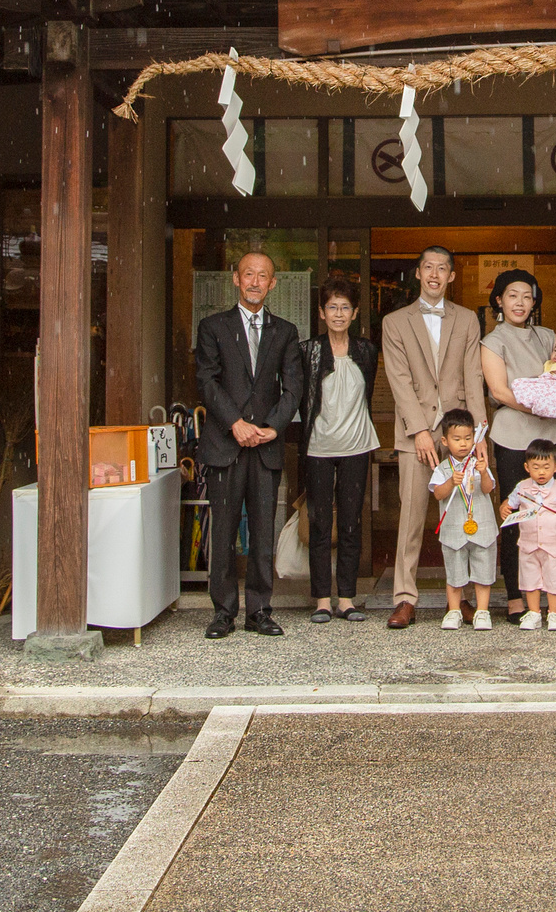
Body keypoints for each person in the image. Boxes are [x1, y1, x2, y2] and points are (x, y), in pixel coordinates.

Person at [192, 251, 305, 640]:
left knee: (262, 531)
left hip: (267, 446)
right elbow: (207, 381)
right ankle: (223, 611)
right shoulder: (213, 327)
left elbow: (293, 387)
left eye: (263, 276)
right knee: (222, 531)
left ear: (273, 283)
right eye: (248, 275)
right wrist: (235, 423)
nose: (255, 282)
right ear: (236, 279)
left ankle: (259, 609)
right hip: (226, 443)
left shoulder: (285, 331)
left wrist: (274, 427)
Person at [380, 245, 486, 629]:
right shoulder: (395, 322)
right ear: (418, 273)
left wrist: (480, 435)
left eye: (443, 268)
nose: (435, 274)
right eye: (428, 267)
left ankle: (462, 598)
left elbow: (473, 376)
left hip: (460, 434)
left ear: (452, 276)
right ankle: (405, 598)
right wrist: (420, 431)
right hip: (415, 434)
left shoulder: (468, 319)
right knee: (411, 518)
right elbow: (399, 381)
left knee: (463, 516)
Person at [480, 268, 556, 608]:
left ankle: (553, 599)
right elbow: (498, 390)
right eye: (512, 295)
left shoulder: (548, 335)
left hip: (555, 434)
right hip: (515, 435)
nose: (520, 302)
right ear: (499, 300)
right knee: (515, 515)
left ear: (534, 301)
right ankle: (515, 597)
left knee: (554, 514)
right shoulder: (493, 341)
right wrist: (539, 406)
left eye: (527, 295)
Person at [292, 274, 379, 624]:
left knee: (350, 522)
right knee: (318, 522)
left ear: (355, 312)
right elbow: (300, 398)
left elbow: (367, 393)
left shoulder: (367, 350)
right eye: (332, 307)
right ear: (322, 313)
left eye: (345, 307)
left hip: (357, 445)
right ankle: (321, 599)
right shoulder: (308, 351)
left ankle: (346, 597)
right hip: (318, 447)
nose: (339, 313)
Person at [500, 438, 556, 631]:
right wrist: (504, 509)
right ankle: (534, 613)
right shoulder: (522, 487)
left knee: (554, 579)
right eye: (536, 467)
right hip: (529, 544)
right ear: (527, 467)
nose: (541, 472)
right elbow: (509, 504)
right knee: (530, 580)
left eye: (546, 467)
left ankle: (555, 613)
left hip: (554, 545)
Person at [428, 410, 496, 630]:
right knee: (455, 572)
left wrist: (484, 473)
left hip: (482, 528)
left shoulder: (478, 463)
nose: (463, 444)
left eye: (468, 438)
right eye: (457, 440)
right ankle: (454, 611)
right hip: (454, 530)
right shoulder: (442, 468)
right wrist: (450, 482)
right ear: (445, 441)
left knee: (483, 571)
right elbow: (438, 494)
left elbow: (488, 489)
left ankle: (483, 612)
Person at [503, 337, 556, 419]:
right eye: (555, 350)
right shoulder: (550, 363)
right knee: (527, 384)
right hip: (549, 384)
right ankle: (529, 400)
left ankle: (549, 408)